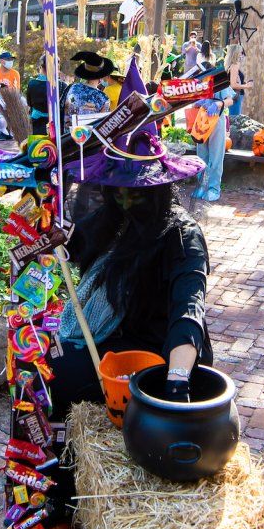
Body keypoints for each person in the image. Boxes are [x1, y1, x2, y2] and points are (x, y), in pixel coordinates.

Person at [53, 58, 212, 416]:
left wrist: (176, 382)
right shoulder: (112, 217)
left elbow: (189, 312)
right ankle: (63, 466)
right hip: (113, 340)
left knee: (61, 375)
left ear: (157, 189)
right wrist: (49, 235)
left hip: (157, 353)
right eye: (117, 191)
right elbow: (74, 245)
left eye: (135, 192)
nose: (124, 200)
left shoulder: (181, 236)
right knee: (48, 362)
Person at [190, 86, 231, 201]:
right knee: (201, 156)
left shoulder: (220, 79)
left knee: (216, 155)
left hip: (216, 120)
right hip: (202, 120)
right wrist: (197, 102)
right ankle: (201, 186)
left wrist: (218, 104)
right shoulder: (202, 80)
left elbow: (230, 100)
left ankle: (214, 189)